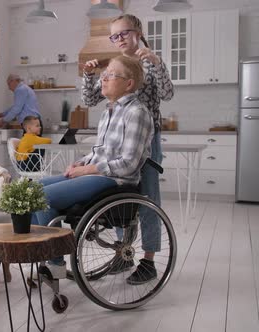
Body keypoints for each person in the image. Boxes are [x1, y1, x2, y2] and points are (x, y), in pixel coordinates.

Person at [32, 55, 154, 280]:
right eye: (103, 75)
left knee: (44, 197)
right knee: (32, 189)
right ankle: (40, 252)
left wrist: (87, 170)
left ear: (128, 84)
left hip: (116, 181)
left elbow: (128, 164)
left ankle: (54, 263)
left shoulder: (136, 112)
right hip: (99, 173)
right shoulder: (110, 111)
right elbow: (102, 151)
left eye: (110, 75)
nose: (103, 79)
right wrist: (82, 162)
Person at [81, 14, 174, 284]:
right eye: (114, 35)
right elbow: (89, 99)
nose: (119, 39)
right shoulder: (118, 66)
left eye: (124, 33)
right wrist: (89, 75)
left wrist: (156, 64)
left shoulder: (150, 63)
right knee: (121, 198)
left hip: (145, 140)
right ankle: (123, 254)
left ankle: (148, 261)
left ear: (138, 32)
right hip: (117, 142)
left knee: (147, 201)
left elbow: (167, 94)